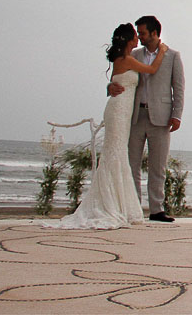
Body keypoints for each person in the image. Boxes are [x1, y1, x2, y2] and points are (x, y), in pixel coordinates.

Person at [45, 23, 167, 229]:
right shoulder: (127, 59)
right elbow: (152, 69)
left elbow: (115, 79)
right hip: (118, 110)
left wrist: (110, 85)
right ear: (129, 40)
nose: (138, 38)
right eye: (135, 36)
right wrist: (162, 51)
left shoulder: (123, 59)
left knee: (117, 154)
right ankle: (112, 204)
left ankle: (118, 203)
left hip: (124, 111)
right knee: (116, 153)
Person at [109, 15, 184, 223]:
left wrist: (177, 115)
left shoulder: (173, 56)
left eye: (142, 33)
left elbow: (178, 88)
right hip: (134, 115)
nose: (139, 37)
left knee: (157, 165)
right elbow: (118, 75)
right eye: (138, 33)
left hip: (161, 117)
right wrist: (110, 87)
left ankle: (156, 209)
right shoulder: (133, 54)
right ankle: (133, 208)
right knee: (131, 164)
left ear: (154, 33)